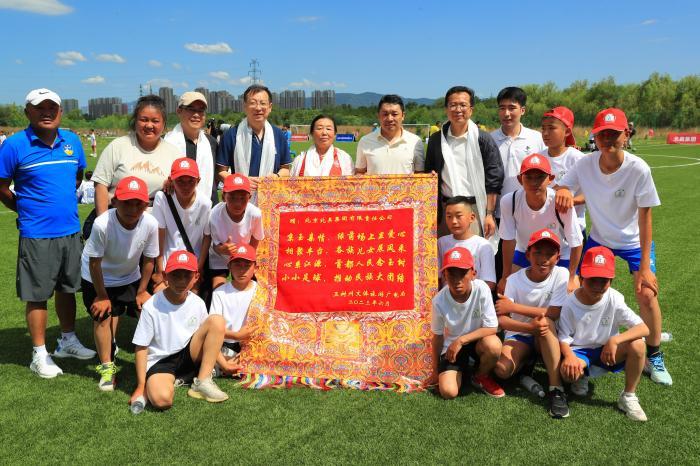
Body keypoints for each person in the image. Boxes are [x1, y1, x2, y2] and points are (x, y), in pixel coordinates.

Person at [555, 107, 671, 386]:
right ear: (595, 136)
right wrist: (564, 190)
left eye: (614, 133)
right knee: (579, 290)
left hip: (633, 242)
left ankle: (654, 354)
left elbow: (645, 217)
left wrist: (645, 267)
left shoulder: (638, 168)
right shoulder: (585, 163)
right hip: (600, 239)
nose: (607, 139)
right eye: (602, 134)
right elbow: (563, 187)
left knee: (646, 293)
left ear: (626, 134)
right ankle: (581, 347)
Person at [0, 88, 95, 378]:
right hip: (36, 232)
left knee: (68, 288)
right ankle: (39, 354)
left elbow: (76, 178)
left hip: (70, 229)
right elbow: (1, 187)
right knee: (38, 293)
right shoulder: (14, 145)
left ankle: (67, 340)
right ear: (27, 112)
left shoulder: (72, 141)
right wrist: (25, 209)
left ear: (60, 112)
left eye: (52, 107)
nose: (46, 112)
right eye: (39, 108)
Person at [81, 176, 158, 390]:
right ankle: (107, 368)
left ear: (146, 204)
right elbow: (95, 263)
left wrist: (142, 291)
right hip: (97, 276)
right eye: (127, 203)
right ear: (114, 202)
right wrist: (102, 296)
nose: (133, 209)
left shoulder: (150, 223)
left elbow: (149, 260)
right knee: (102, 316)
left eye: (138, 204)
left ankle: (157, 359)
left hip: (129, 274)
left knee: (147, 310)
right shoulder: (102, 224)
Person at [558, 246, 649, 421]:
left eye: (604, 281)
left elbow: (643, 328)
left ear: (611, 281)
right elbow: (563, 337)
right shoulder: (570, 303)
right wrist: (569, 357)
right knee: (567, 373)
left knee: (638, 344)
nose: (598, 286)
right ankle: (582, 375)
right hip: (580, 351)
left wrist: (615, 340)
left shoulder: (614, 298)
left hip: (606, 350)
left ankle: (628, 396)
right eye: (592, 279)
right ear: (581, 277)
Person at [131, 250, 230, 409]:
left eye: (187, 276)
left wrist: (225, 365)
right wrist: (141, 386)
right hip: (162, 361)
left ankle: (202, 381)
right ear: (165, 276)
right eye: (176, 275)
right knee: (162, 400)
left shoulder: (197, 303)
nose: (181, 281)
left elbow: (208, 337)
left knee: (217, 321)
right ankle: (175, 379)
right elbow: (141, 347)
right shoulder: (151, 306)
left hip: (188, 354)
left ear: (196, 277)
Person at [493, 229, 570, 419]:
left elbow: (554, 312)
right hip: (521, 334)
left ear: (558, 257)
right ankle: (527, 362)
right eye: (538, 253)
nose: (543, 259)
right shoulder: (514, 280)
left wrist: (514, 307)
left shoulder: (561, 274)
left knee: (545, 323)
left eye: (549, 254)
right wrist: (529, 328)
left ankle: (556, 388)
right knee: (502, 370)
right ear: (527, 255)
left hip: (548, 333)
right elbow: (502, 320)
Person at [425, 86, 504, 240]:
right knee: (446, 251)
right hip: (446, 209)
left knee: (473, 252)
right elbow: (429, 172)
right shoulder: (436, 140)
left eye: (463, 105)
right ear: (446, 109)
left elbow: (494, 178)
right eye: (453, 105)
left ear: (471, 110)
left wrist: (489, 214)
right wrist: (431, 176)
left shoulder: (483, 139)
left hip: (475, 208)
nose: (458, 109)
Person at [498, 153, 582, 294]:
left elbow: (576, 242)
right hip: (525, 252)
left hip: (559, 254)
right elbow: (508, 240)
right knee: (508, 290)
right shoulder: (509, 201)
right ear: (520, 179)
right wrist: (505, 276)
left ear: (550, 179)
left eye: (540, 177)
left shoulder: (560, 202)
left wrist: (572, 278)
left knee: (570, 293)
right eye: (528, 177)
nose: (534, 182)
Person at [430, 247, 504, 399]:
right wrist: (435, 370)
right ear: (444, 275)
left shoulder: (482, 289)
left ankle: (480, 376)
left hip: (477, 342)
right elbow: (437, 337)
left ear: (473, 273)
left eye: (462, 273)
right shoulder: (438, 301)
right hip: (451, 348)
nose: (457, 280)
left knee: (494, 345)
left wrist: (461, 340)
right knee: (448, 392)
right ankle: (461, 371)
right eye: (451, 274)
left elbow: (492, 327)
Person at [91, 95, 181, 217]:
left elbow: (183, 188)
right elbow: (100, 185)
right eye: (144, 120)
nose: (149, 125)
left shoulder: (174, 153)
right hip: (118, 218)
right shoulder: (117, 146)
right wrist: (102, 221)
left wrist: (175, 184)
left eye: (155, 121)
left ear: (164, 124)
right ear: (135, 121)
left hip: (156, 220)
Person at [215, 84, 292, 198]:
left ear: (270, 107)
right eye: (253, 103)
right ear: (245, 106)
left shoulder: (278, 135)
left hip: (270, 200)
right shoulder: (231, 135)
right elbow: (220, 171)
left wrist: (276, 177)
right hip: (239, 200)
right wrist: (241, 181)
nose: (258, 108)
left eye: (263, 103)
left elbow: (285, 169)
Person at [151, 158, 211, 294]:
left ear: (198, 181)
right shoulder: (162, 198)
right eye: (180, 181)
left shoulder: (205, 203)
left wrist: (199, 267)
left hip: (192, 264)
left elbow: (207, 237)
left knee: (192, 297)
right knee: (161, 294)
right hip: (168, 262)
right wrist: (160, 269)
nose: (186, 186)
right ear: (171, 180)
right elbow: (159, 235)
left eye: (191, 181)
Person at [203, 173, 264, 290]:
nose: (237, 203)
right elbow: (215, 246)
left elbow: (256, 239)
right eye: (232, 197)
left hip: (244, 256)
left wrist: (247, 259)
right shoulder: (214, 214)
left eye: (242, 198)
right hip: (220, 257)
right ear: (223, 197)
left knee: (250, 289)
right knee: (218, 288)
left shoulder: (255, 214)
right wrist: (222, 249)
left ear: (249, 197)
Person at [164, 91, 219, 205]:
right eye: (191, 109)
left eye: (201, 110)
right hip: (173, 208)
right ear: (179, 111)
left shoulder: (211, 143)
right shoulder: (165, 143)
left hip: (207, 207)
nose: (196, 114)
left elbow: (215, 178)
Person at [209, 243, 258, 370]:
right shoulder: (220, 292)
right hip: (225, 342)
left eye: (247, 265)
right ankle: (226, 363)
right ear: (229, 267)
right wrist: (236, 336)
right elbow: (213, 327)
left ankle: (228, 363)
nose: (242, 270)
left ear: (255, 268)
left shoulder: (261, 291)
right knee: (209, 344)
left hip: (251, 343)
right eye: (237, 265)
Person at [540, 107, 587, 237]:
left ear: (567, 131)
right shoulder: (538, 158)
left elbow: (592, 192)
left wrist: (570, 201)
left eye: (551, 128)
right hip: (544, 228)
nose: (545, 133)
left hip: (573, 228)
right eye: (543, 128)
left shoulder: (578, 159)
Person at [355, 94, 424, 175]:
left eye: (394, 114)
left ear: (403, 116)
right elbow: (360, 172)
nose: (389, 119)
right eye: (385, 114)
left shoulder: (415, 141)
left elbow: (420, 174)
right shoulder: (365, 141)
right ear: (378, 116)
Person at [437, 196, 496, 291]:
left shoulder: (483, 245)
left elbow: (489, 282)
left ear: (471, 217)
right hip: (447, 297)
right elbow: (437, 278)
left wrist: (468, 295)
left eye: (459, 216)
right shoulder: (441, 243)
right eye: (449, 217)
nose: (454, 221)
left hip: (474, 297)